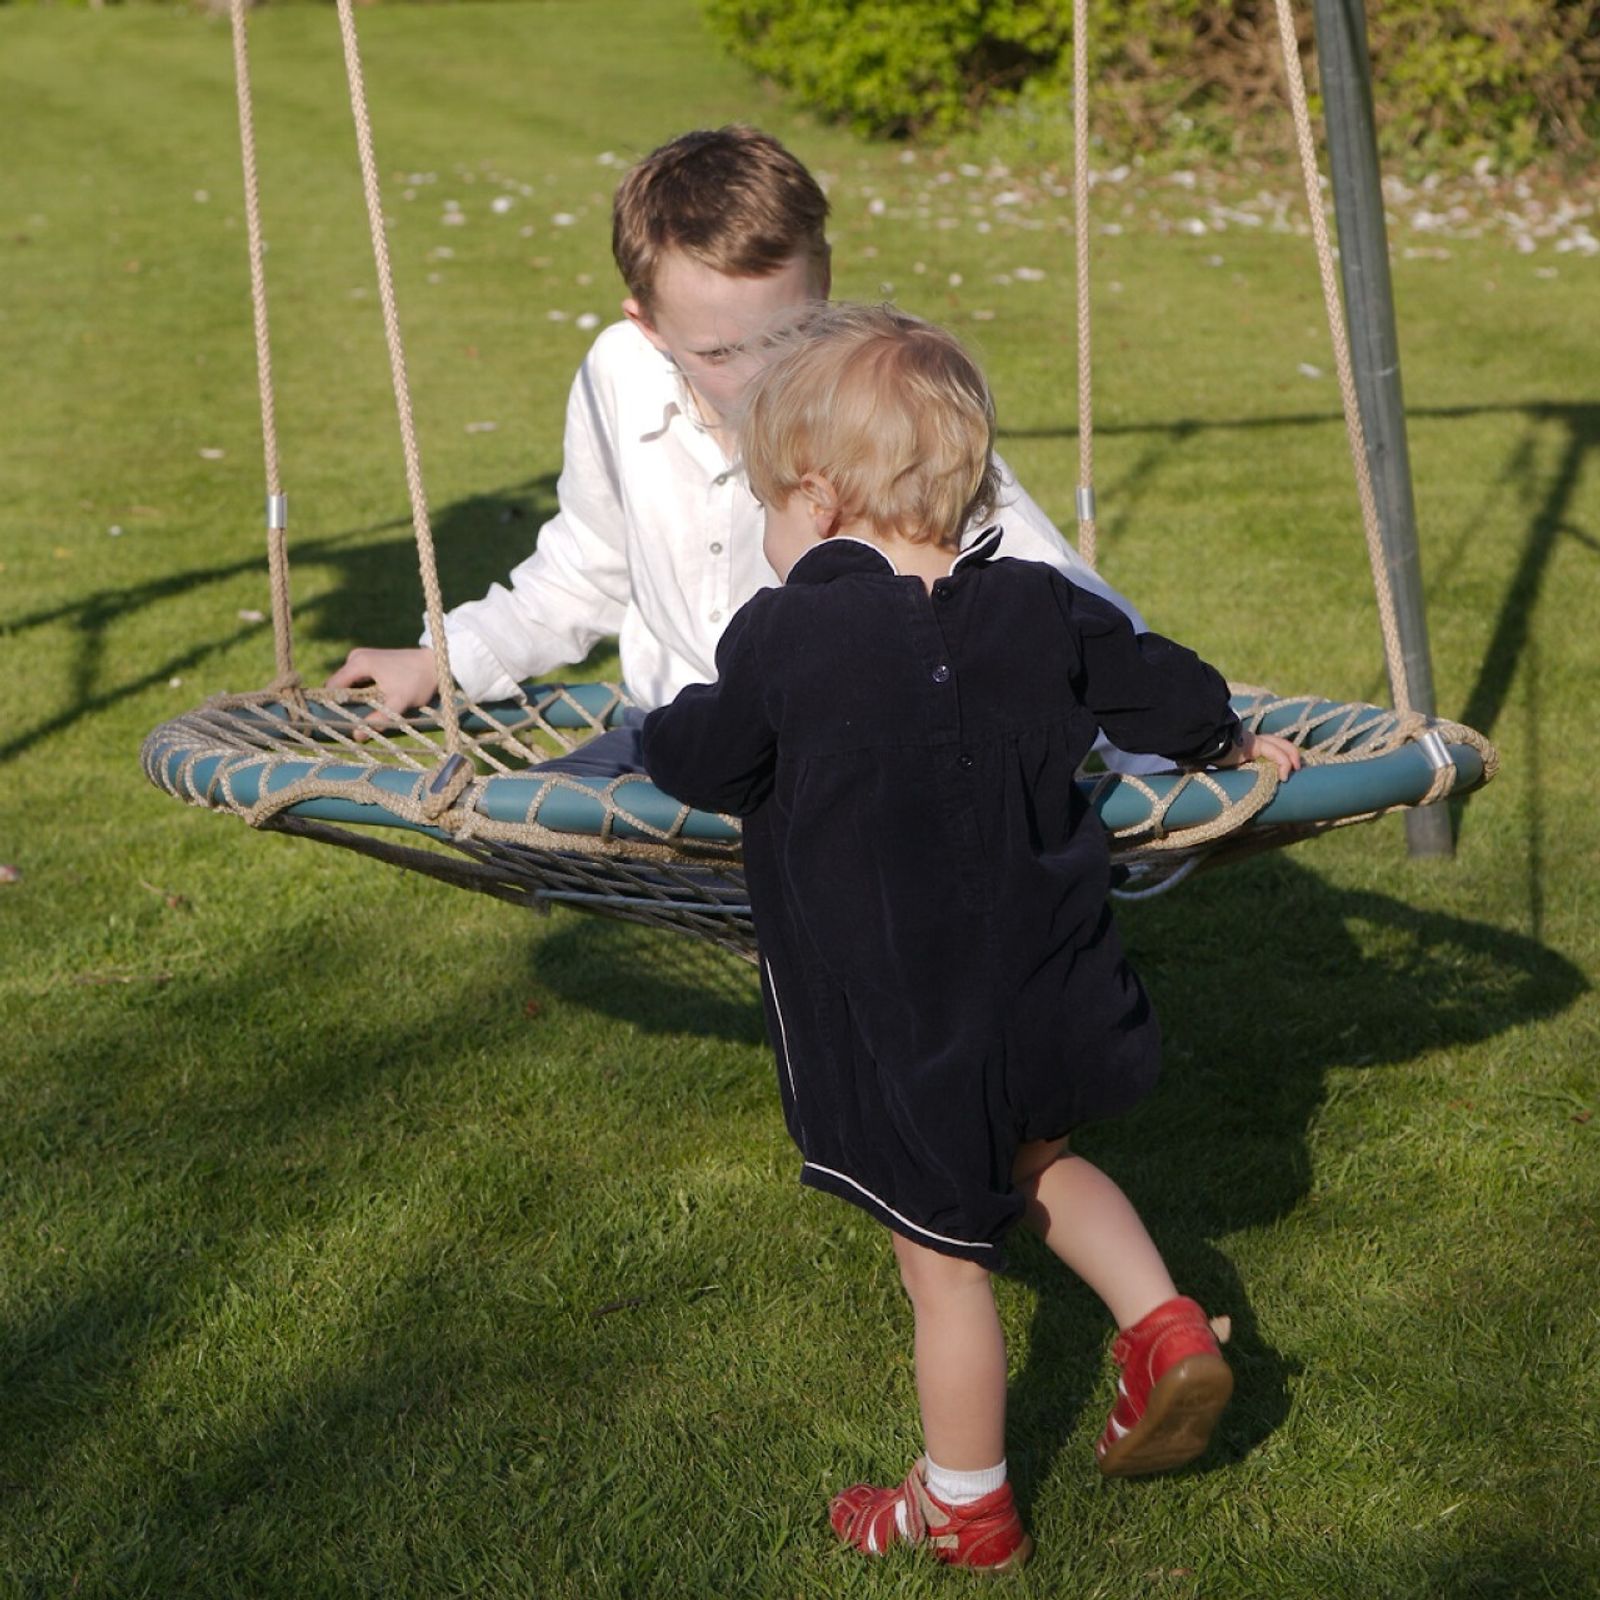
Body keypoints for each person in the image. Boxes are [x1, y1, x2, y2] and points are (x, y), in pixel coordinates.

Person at [640, 304, 1301, 1571]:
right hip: (1052, 980)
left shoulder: (785, 635)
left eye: (766, 505)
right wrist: (1224, 737)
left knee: (943, 1268)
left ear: (817, 499)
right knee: (1043, 1157)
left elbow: (706, 757)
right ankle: (1163, 1324)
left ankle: (965, 1506)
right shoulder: (1040, 607)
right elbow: (1156, 685)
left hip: (902, 1013)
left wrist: (653, 732)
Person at [325, 125, 1162, 777]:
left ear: (823, 285)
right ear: (647, 325)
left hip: (853, 763)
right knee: (522, 816)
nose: (762, 378)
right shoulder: (617, 374)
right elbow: (585, 569)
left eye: (788, 335)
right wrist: (446, 658)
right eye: (719, 354)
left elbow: (1060, 605)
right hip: (672, 743)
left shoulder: (879, 407)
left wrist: (1172, 762)